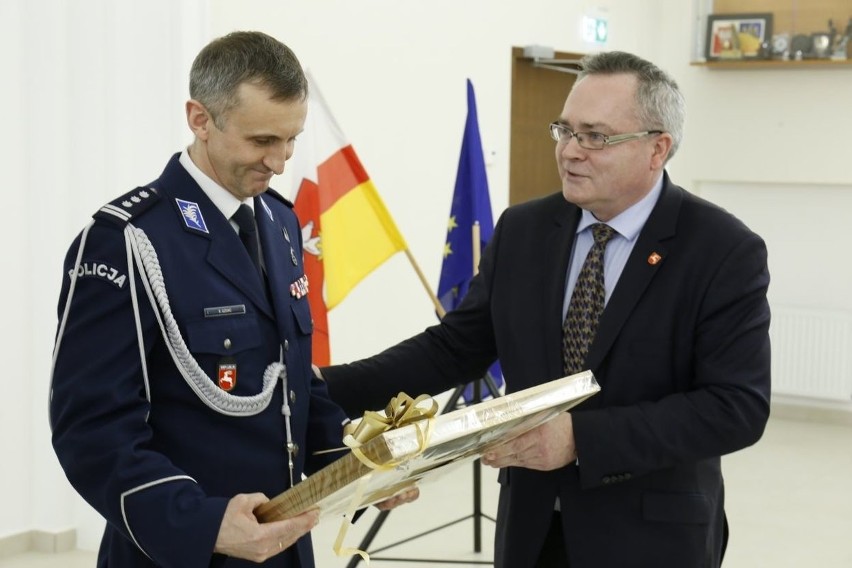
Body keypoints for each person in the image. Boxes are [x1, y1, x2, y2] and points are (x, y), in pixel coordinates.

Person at [320, 51, 770, 567]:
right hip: (531, 530)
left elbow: (737, 407)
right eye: (564, 130)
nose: (570, 152)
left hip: (651, 537)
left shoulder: (721, 249)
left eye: (595, 136)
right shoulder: (524, 231)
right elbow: (452, 350)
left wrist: (581, 439)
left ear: (657, 149)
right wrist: (316, 388)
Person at [49, 31, 414, 568]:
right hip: (183, 548)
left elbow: (291, 386)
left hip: (285, 543)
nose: (281, 161)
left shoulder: (281, 221)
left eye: (291, 139)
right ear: (200, 119)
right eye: (262, 140)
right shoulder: (127, 240)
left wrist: (357, 467)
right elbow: (92, 427)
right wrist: (200, 523)